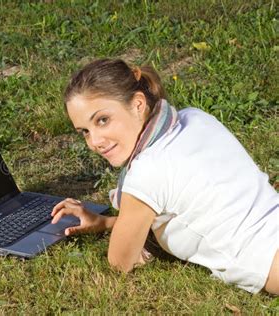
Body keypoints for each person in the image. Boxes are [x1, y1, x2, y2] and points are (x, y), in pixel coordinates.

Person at [50, 58, 278, 295]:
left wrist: (118, 229)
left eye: (103, 120)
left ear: (138, 104)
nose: (94, 141)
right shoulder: (195, 117)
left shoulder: (147, 171)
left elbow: (120, 262)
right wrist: (105, 223)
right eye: (85, 131)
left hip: (267, 260)